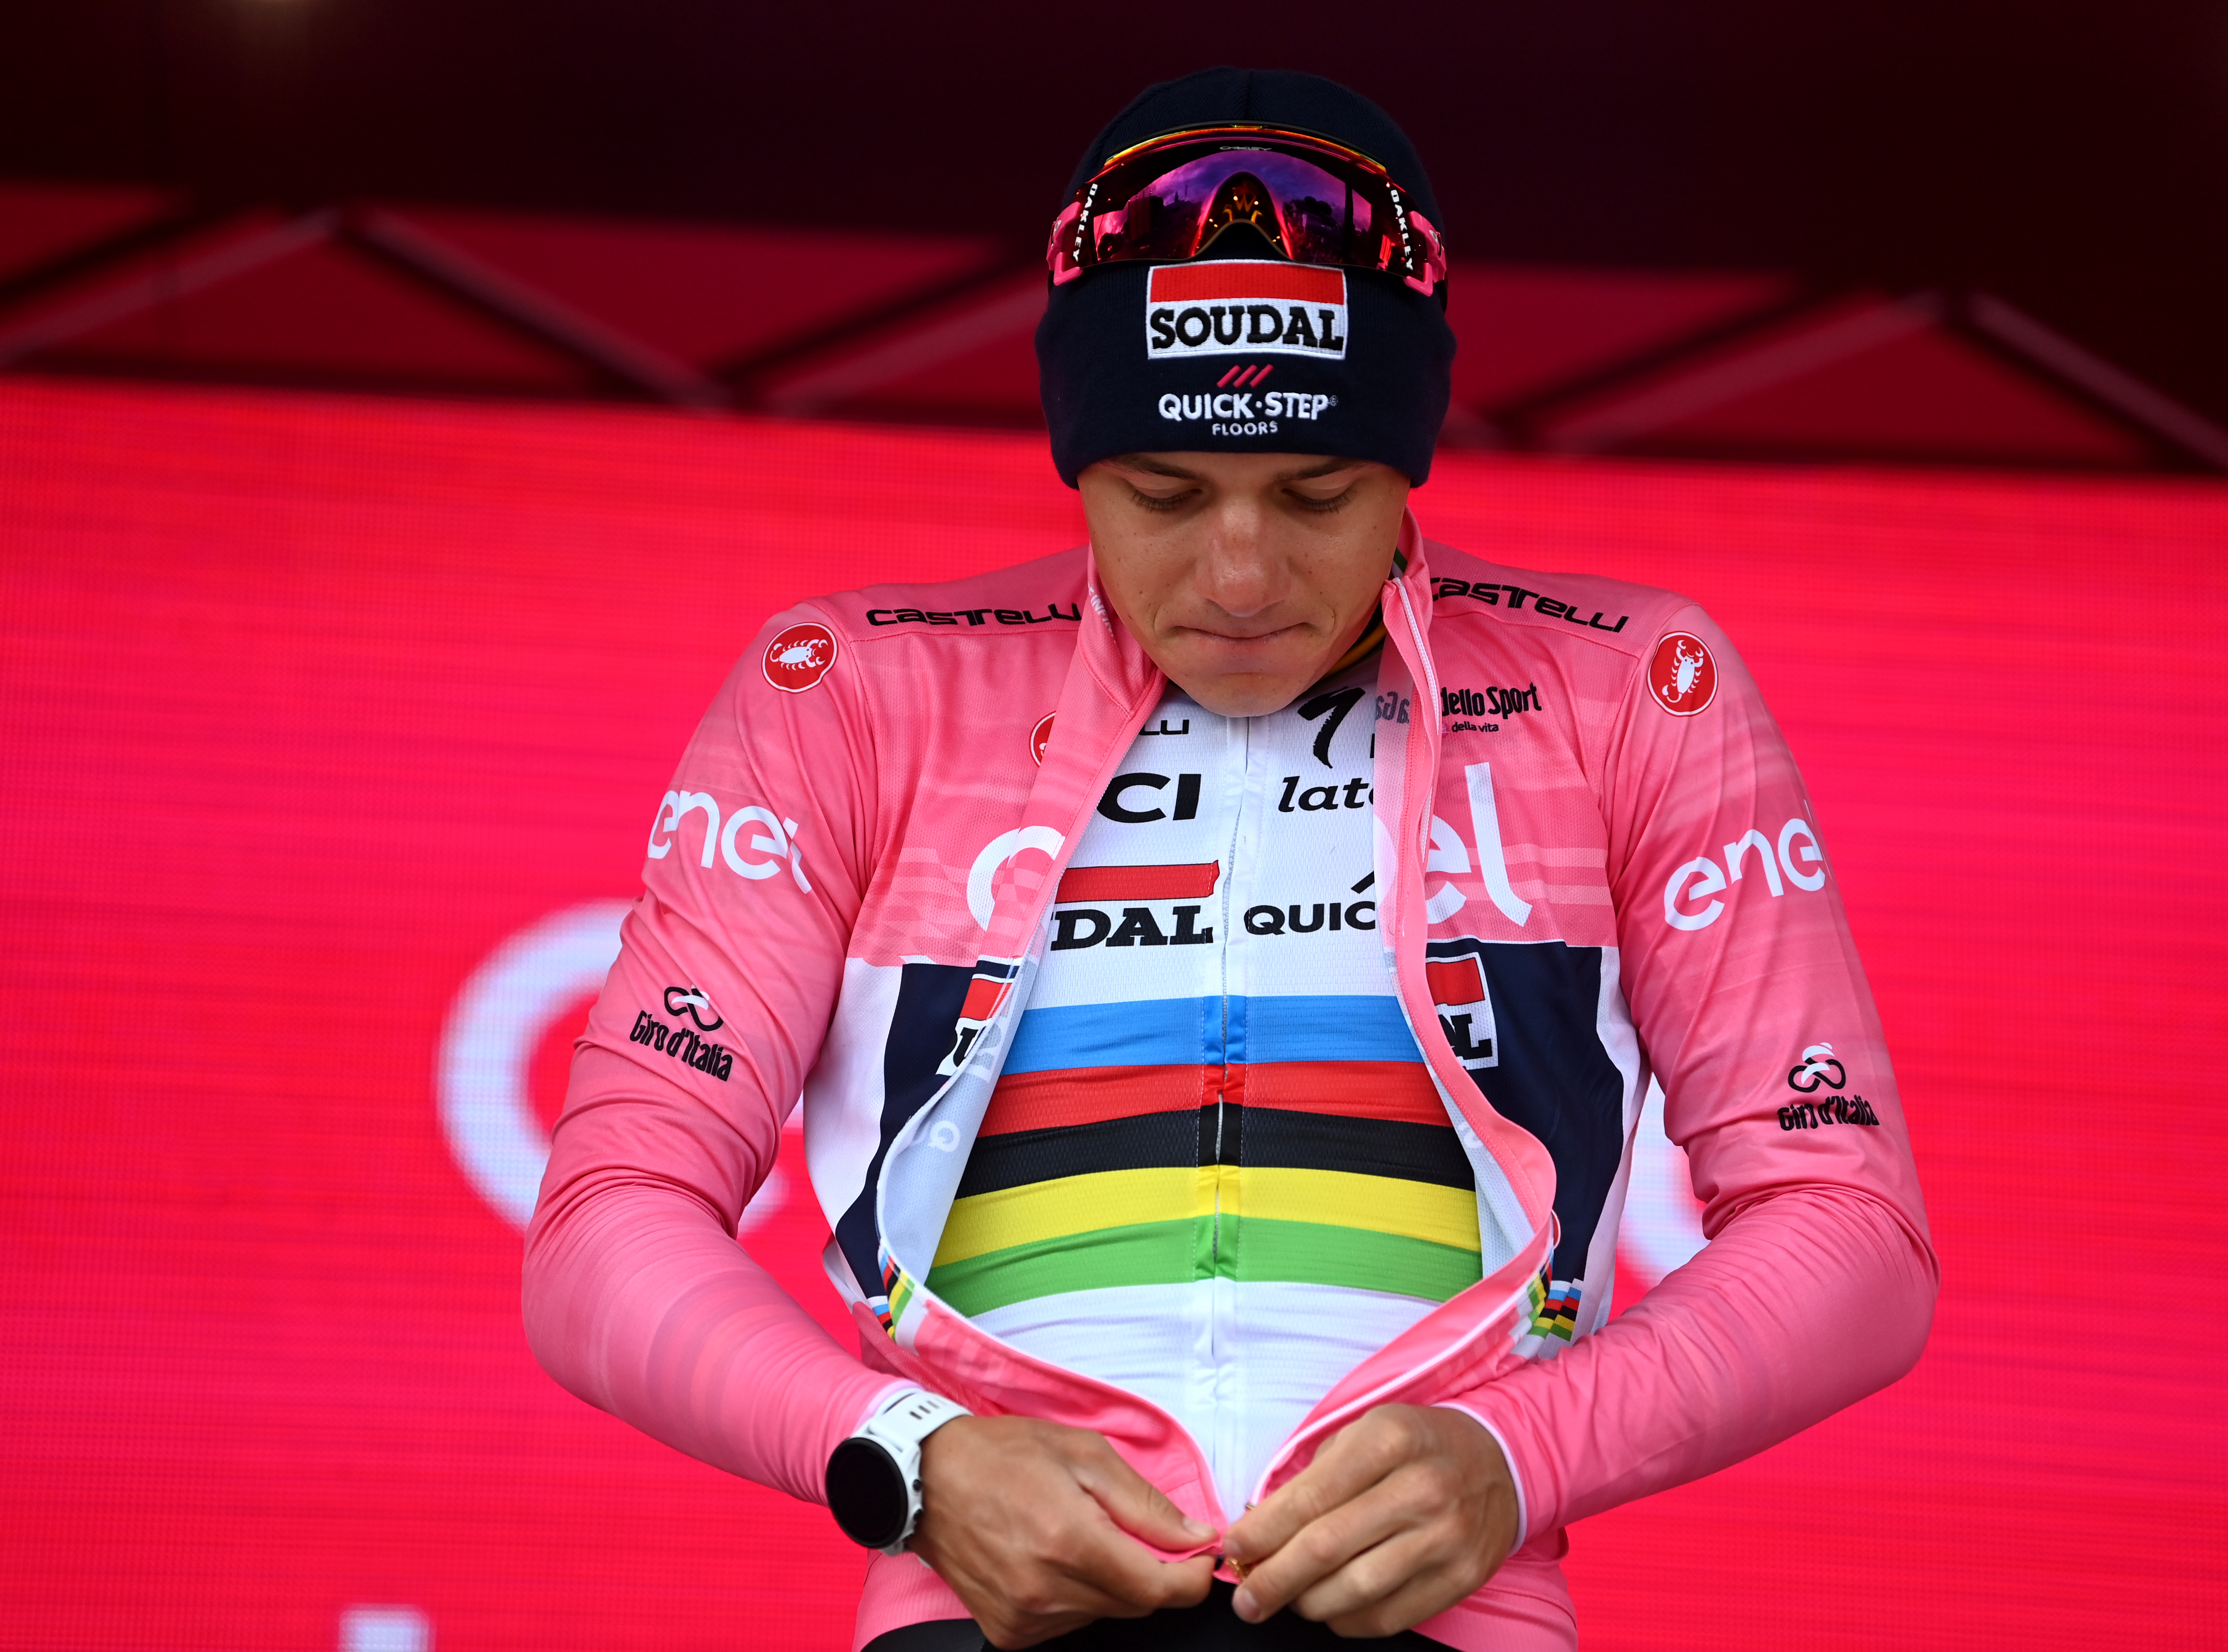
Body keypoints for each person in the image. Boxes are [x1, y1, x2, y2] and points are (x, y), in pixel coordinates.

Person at [523, 68, 1936, 1652]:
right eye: (1167, 494)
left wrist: (1518, 1451)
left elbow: (1849, 1232)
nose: (1245, 572)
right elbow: (607, 1218)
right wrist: (907, 1460)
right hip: (986, 1615)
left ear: (1413, 459)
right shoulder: (856, 690)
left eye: (1320, 494)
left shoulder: (1628, 687)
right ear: (1073, 460)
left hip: (1448, 1615)